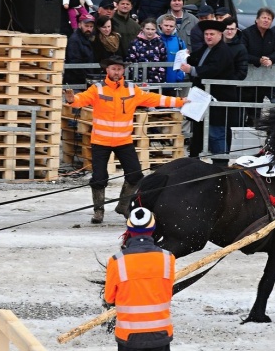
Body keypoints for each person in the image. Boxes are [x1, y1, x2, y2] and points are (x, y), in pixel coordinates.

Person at [64, 56, 187, 224]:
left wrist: (180, 102)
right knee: (99, 178)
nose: (117, 72)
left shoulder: (131, 90)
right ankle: (98, 211)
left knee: (135, 176)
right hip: (101, 141)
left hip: (124, 141)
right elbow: (81, 99)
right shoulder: (97, 89)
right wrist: (72, 100)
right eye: (113, 69)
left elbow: (155, 99)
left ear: (123, 70)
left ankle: (123, 206)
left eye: (119, 69)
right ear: (107, 70)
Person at [104, 207, 175, 351]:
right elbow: (167, 292)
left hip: (129, 338)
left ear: (129, 230)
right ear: (153, 229)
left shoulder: (117, 261)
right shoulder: (167, 258)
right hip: (160, 335)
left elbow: (110, 298)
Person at [180, 20, 235, 160]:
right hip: (202, 97)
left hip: (218, 98)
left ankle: (220, 163)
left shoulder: (223, 50)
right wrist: (187, 57)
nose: (208, 37)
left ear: (219, 35)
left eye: (212, 34)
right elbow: (195, 58)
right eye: (206, 34)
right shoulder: (206, 48)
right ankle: (194, 159)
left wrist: (192, 70)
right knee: (198, 130)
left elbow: (213, 69)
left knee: (216, 132)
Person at [241, 7, 275, 123]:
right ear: (257, 19)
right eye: (264, 17)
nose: (266, 20)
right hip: (248, 79)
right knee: (245, 110)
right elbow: (243, 53)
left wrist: (270, 59)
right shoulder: (247, 33)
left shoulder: (272, 34)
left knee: (259, 110)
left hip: (265, 78)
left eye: (269, 18)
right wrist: (258, 60)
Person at [217, 17, 247, 165]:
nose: (229, 31)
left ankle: (224, 157)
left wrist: (225, 79)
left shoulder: (240, 48)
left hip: (229, 92)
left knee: (225, 127)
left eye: (232, 29)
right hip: (214, 91)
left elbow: (242, 72)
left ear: (236, 30)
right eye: (227, 28)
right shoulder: (216, 45)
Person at [127, 19, 166, 84]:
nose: (150, 31)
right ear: (142, 28)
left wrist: (161, 76)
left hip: (156, 79)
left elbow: (163, 60)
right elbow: (130, 61)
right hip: (139, 79)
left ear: (156, 30)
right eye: (147, 29)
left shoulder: (160, 43)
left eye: (152, 29)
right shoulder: (135, 43)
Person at [63, 13, 96, 86]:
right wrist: (85, 78)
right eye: (86, 26)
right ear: (79, 25)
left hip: (84, 81)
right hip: (76, 82)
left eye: (91, 27)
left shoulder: (87, 38)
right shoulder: (75, 40)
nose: (89, 29)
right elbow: (75, 62)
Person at [158, 14, 186, 94]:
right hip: (157, 81)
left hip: (173, 81)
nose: (168, 28)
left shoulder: (179, 42)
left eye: (171, 26)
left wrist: (180, 77)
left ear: (174, 27)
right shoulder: (155, 40)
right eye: (166, 25)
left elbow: (183, 60)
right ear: (160, 25)